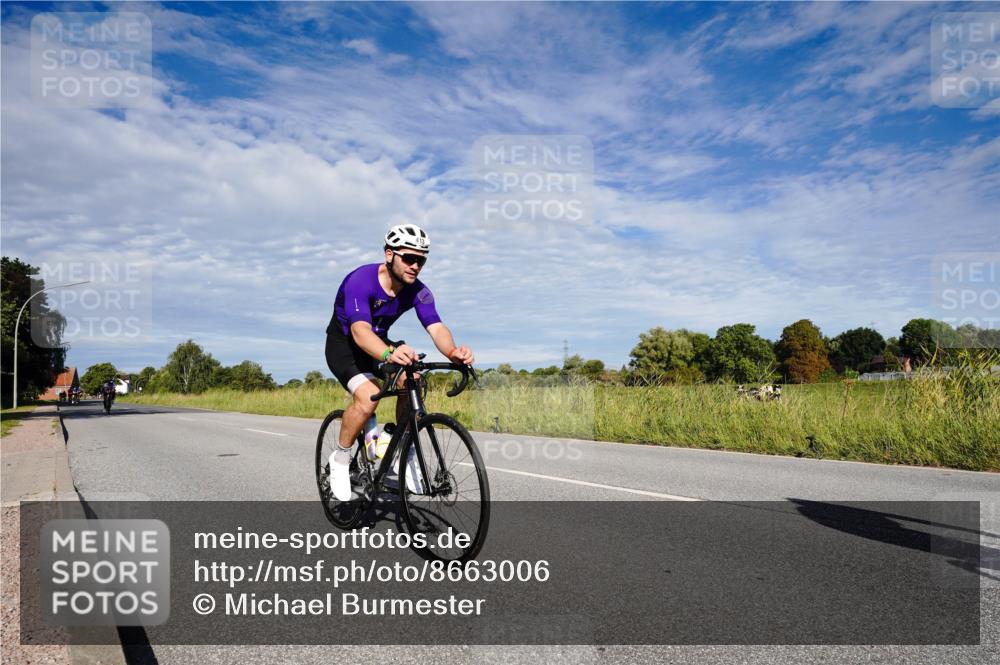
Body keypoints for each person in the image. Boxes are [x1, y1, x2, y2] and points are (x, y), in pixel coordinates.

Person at [325, 224, 474, 501]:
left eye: (421, 260)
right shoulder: (361, 280)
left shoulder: (419, 291)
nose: (415, 265)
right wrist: (387, 354)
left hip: (379, 342)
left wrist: (452, 352)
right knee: (368, 397)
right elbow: (360, 332)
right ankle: (341, 458)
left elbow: (436, 326)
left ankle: (403, 448)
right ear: (389, 254)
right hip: (345, 345)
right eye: (409, 258)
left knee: (413, 379)